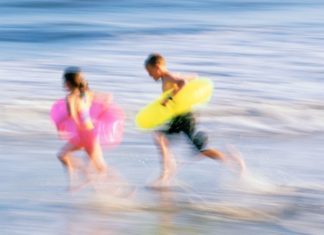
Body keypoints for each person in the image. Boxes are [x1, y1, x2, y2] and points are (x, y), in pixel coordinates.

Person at [144, 53, 246, 185]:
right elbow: (192, 77)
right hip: (179, 117)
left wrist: (169, 98)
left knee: (200, 150)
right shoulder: (168, 77)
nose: (150, 75)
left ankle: (232, 160)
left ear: (157, 67)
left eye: (150, 71)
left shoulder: (168, 77)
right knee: (160, 138)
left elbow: (183, 82)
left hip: (185, 118)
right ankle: (168, 169)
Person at [56, 66, 110, 191]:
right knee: (63, 155)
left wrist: (61, 126)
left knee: (99, 167)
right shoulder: (87, 94)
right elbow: (107, 97)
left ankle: (83, 183)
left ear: (68, 83)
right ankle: (77, 182)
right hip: (90, 132)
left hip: (84, 135)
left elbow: (73, 116)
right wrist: (101, 113)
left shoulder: (70, 98)